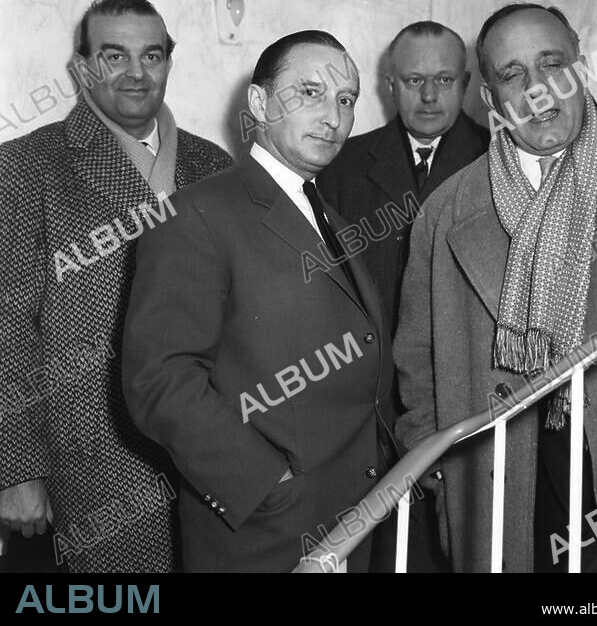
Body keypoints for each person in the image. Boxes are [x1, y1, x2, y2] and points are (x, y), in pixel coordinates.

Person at [393, 2, 597, 573]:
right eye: (512, 74)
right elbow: (416, 363)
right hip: (507, 483)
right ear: (492, 100)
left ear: (580, 66)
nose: (538, 88)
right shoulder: (445, 209)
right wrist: (445, 475)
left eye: (552, 63)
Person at [122, 30, 398, 573]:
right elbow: (159, 379)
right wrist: (264, 484)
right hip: (264, 533)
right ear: (258, 103)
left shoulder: (329, 218)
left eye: (346, 100)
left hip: (349, 521)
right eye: (311, 92)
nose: (333, 117)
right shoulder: (196, 214)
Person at [0, 0, 233, 573]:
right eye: (113, 56)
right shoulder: (26, 167)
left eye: (151, 56)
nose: (135, 73)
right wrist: (16, 468)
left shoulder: (214, 167)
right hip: (87, 461)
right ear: (82, 68)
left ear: (168, 64)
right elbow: (5, 329)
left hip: (209, 456)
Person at [317, 21, 489, 334]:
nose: (428, 95)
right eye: (413, 80)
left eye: (444, 79)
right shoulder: (341, 163)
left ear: (464, 83)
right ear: (391, 85)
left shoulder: (496, 159)